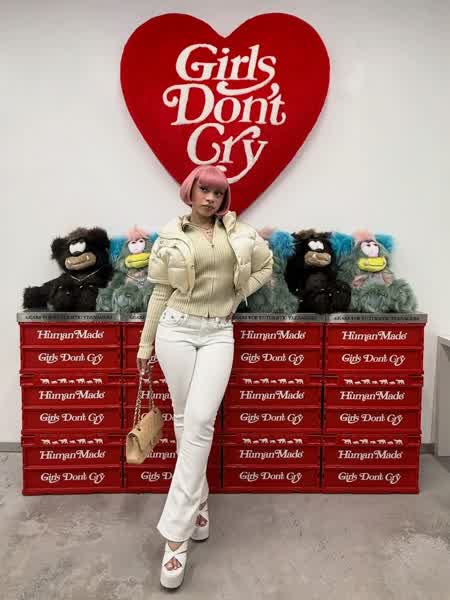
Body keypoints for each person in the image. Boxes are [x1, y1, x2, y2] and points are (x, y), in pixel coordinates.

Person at [136, 165, 273, 590]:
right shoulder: (170, 236)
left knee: (198, 422)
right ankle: (199, 501)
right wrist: (145, 345)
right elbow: (160, 291)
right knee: (184, 421)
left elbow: (266, 267)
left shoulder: (241, 234)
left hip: (218, 333)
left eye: (218, 192)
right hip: (175, 329)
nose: (211, 198)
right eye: (204, 189)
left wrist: (238, 292)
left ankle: (175, 536)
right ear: (190, 191)